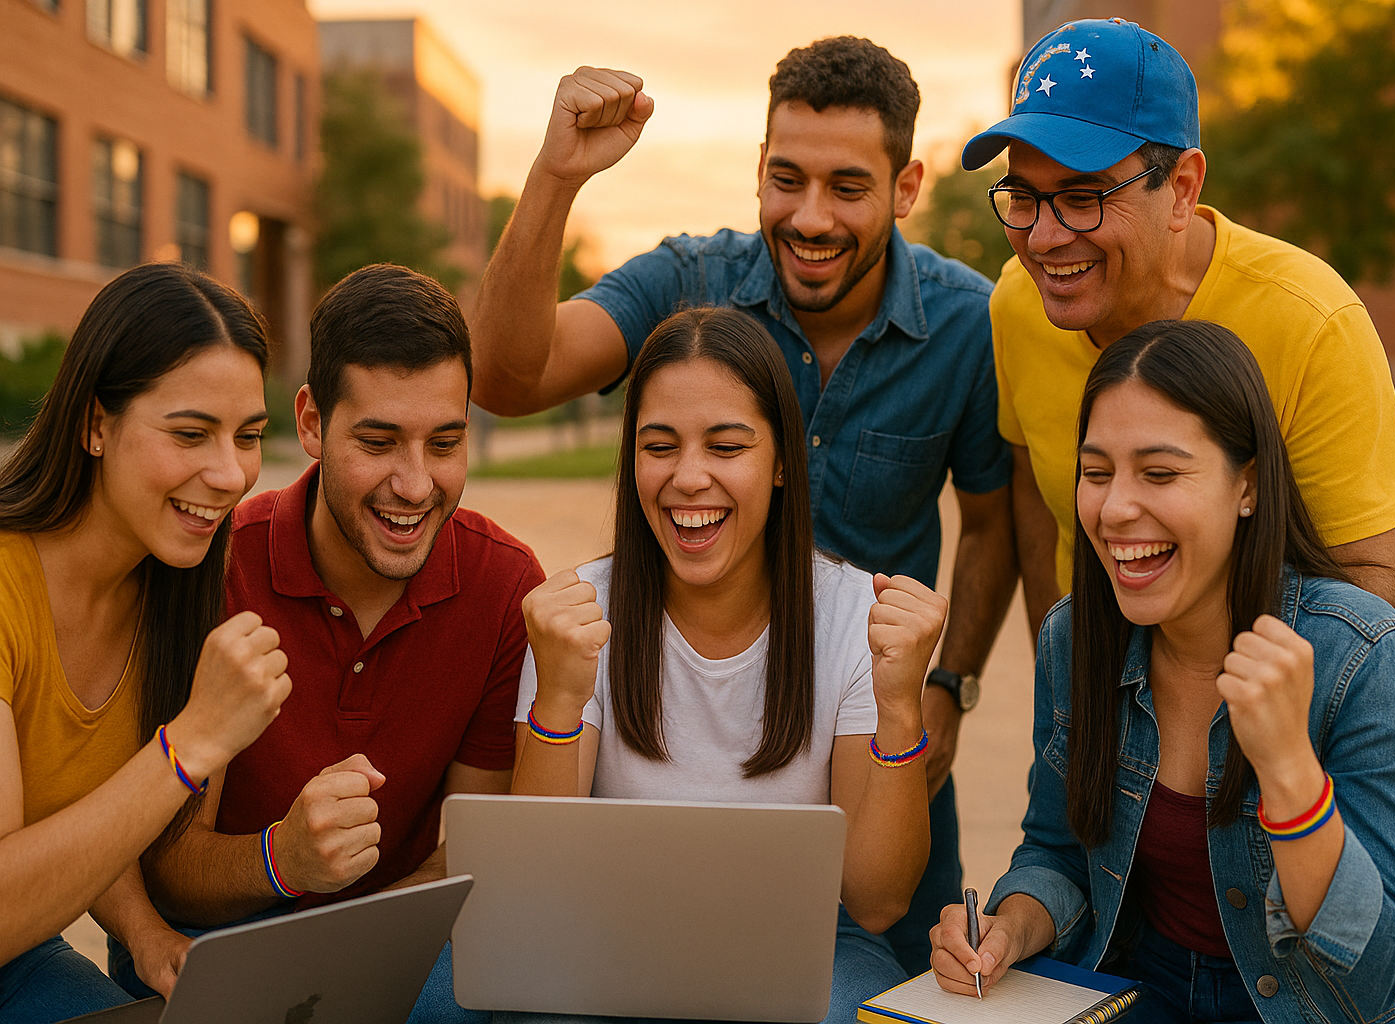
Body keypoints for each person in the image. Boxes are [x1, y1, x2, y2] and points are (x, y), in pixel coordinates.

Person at [472, 37, 1016, 974]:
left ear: (905, 186)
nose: (810, 217)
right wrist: (556, 177)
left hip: (871, 717)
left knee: (903, 974)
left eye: (847, 186)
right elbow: (508, 376)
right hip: (687, 702)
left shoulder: (969, 323)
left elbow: (995, 525)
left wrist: (946, 685)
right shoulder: (688, 283)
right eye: (785, 178)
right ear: (757, 171)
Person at [929, 320, 1395, 1024]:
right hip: (1147, 988)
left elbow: (1377, 979)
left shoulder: (1364, 655)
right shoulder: (1076, 635)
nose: (1115, 509)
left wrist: (1290, 771)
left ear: (1249, 486)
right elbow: (1058, 849)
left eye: (1161, 473)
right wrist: (1007, 930)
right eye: (1096, 471)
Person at [507, 306, 947, 1023]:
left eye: (725, 446)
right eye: (659, 446)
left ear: (779, 463)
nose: (688, 478)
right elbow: (535, 887)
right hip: (607, 929)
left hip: (803, 935)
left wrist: (901, 710)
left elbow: (876, 900)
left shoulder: (853, 616)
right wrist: (557, 699)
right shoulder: (582, 613)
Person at [134, 264, 545, 1024]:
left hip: (398, 934)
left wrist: (350, 951)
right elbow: (167, 874)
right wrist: (283, 858)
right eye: (380, 441)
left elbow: (468, 858)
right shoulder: (214, 567)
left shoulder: (505, 585)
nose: (416, 484)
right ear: (313, 423)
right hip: (222, 929)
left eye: (445, 442)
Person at [960, 18, 1395, 633]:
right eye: (1022, 197)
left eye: (1083, 197)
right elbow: (1039, 510)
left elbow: (1372, 587)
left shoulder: (1310, 321)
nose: (1042, 239)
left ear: (1181, 189)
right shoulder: (1017, 302)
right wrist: (1065, 686)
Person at [0, 262, 291, 1022]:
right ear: (97, 423)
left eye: (249, 436)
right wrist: (190, 743)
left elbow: (81, 809)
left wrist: (147, 935)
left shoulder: (170, 587)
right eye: (191, 433)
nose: (230, 474)